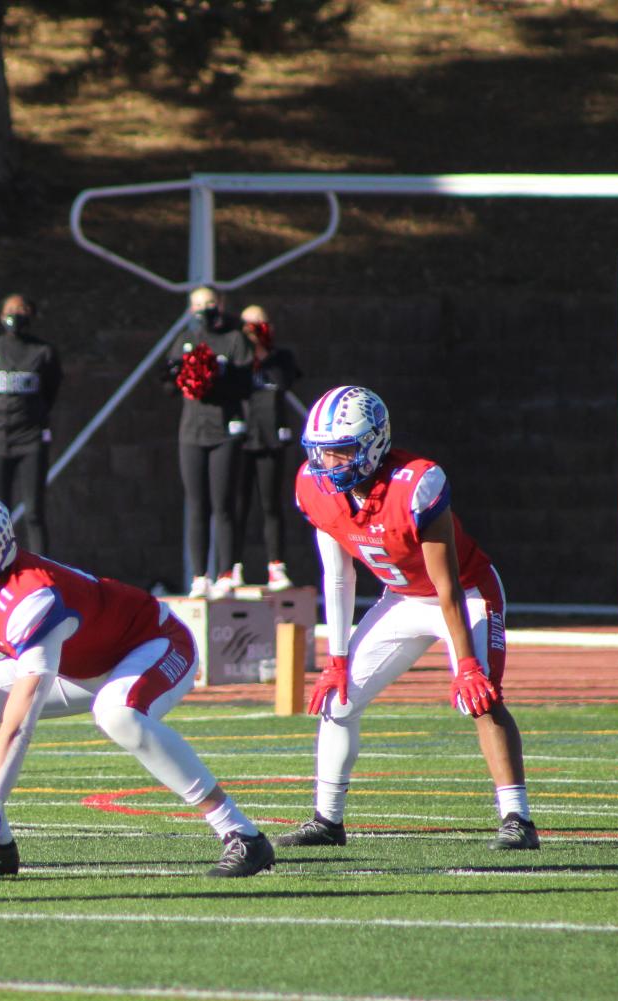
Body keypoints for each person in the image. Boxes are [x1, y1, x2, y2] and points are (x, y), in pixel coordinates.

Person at [0, 491, 275, 880]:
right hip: (80, 666)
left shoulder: (32, 597)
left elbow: (18, 727)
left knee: (117, 714)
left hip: (155, 643)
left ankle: (243, 836)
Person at [277, 386, 538, 852]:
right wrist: (335, 659)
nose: (328, 465)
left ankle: (517, 818)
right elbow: (337, 576)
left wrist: (467, 665)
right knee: (339, 702)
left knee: (477, 699)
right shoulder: (313, 487)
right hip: (400, 597)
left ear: (374, 444)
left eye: (340, 453)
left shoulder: (417, 483)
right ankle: (327, 821)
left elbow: (448, 586)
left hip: (467, 594)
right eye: (321, 453)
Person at [162, 286, 254, 599]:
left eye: (211, 303)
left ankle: (226, 571)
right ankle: (199, 575)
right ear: (191, 310)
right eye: (199, 305)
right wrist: (180, 375)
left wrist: (216, 378)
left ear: (222, 304)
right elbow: (167, 383)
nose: (206, 309)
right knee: (197, 503)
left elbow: (245, 386)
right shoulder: (186, 340)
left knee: (223, 503)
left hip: (225, 432)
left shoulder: (234, 339)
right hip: (191, 432)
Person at [0, 295, 62, 555]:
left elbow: (51, 391)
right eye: (10, 309)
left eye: (21, 309)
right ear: (0, 315)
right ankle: (0, 563)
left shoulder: (43, 352)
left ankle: (41, 566)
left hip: (30, 440)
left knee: (34, 511)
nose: (15, 314)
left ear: (31, 314)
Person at [230, 305, 301, 591]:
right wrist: (246, 351)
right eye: (248, 323)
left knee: (271, 503)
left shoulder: (280, 358)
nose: (253, 329)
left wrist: (263, 352)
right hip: (242, 438)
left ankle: (276, 566)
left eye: (258, 323)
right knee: (237, 505)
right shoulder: (237, 358)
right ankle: (232, 565)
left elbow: (285, 382)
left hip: (271, 437)